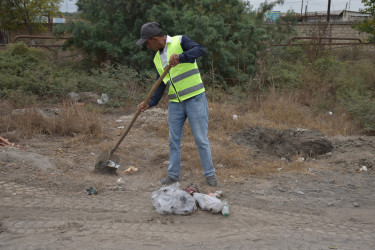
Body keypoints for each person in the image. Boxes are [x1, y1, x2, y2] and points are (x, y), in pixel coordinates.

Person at [136, 22, 217, 187]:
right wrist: (148, 103)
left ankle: (210, 175)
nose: (147, 46)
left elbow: (200, 50)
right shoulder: (157, 59)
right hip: (175, 104)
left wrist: (181, 57)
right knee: (173, 140)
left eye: (147, 42)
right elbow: (160, 85)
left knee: (201, 139)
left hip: (195, 98)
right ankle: (173, 175)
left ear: (154, 38)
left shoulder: (180, 41)